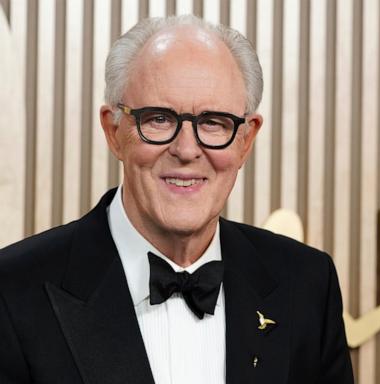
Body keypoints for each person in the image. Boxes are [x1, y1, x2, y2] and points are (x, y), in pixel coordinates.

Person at [0, 14, 353, 384]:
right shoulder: (12, 292)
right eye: (159, 119)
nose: (186, 150)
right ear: (114, 130)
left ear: (246, 140)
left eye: (214, 122)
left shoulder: (307, 284)